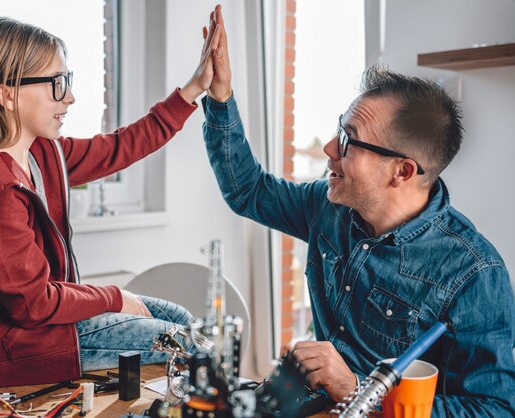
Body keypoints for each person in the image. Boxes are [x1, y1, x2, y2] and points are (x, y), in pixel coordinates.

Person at [201, 5, 514, 416]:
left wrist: (357, 388)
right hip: (299, 398)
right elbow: (248, 191)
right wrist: (220, 96)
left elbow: (492, 409)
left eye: (348, 140)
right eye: (338, 129)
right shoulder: (327, 207)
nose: (330, 150)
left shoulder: (473, 274)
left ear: (401, 171)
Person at [0, 15, 222, 386]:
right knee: (196, 345)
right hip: (21, 345)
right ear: (6, 94)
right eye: (57, 83)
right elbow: (33, 303)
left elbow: (120, 147)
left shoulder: (38, 152)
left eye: (67, 81)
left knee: (185, 321)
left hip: (54, 323)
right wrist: (112, 297)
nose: (69, 96)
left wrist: (195, 87)